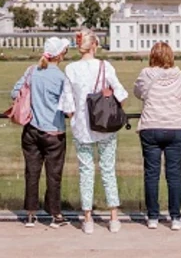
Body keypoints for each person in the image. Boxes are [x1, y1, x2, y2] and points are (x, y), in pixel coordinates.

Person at [60, 31, 128, 234]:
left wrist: (77, 116)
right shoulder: (105, 66)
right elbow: (121, 94)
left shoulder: (71, 69)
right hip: (105, 127)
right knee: (108, 170)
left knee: (86, 172)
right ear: (94, 46)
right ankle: (113, 216)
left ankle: (88, 217)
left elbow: (68, 104)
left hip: (82, 127)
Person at [134, 42, 181, 231]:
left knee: (151, 174)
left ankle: (153, 216)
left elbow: (138, 93)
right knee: (174, 174)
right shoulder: (179, 75)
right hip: (176, 126)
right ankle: (175, 217)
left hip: (151, 126)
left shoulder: (146, 74)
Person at [12, 36, 72, 229]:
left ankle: (30, 214)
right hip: (54, 131)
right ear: (61, 54)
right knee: (54, 175)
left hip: (31, 130)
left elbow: (15, 93)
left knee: (32, 172)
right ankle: (55, 214)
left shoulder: (31, 71)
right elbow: (68, 106)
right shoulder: (61, 77)